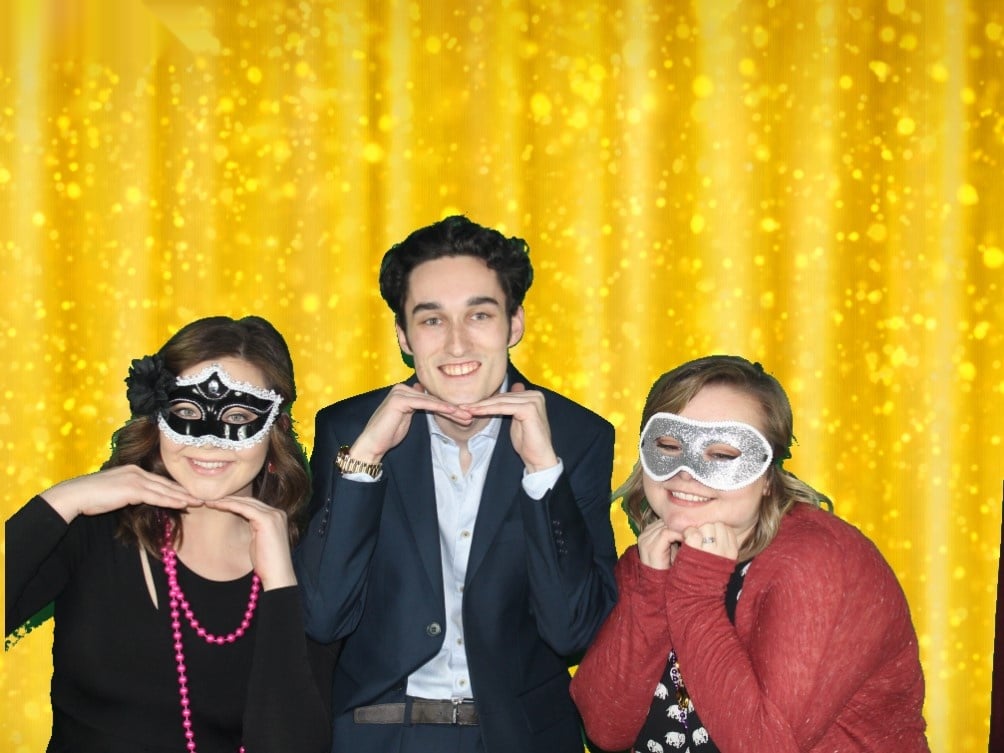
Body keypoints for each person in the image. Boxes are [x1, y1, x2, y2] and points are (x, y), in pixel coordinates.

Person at [294, 215, 618, 753]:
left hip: (517, 737)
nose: (457, 343)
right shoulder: (349, 430)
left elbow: (573, 632)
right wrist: (364, 462)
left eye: (479, 314)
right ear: (403, 336)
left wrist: (543, 472)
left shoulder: (577, 436)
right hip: (378, 733)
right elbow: (323, 616)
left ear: (514, 324)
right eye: (432, 320)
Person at [5, 315, 333, 753]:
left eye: (238, 416)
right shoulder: (96, 532)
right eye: (187, 412)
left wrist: (280, 587)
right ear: (157, 418)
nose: (209, 441)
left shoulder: (312, 562)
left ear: (275, 429)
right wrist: (61, 501)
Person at [569, 355, 929, 753]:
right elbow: (605, 729)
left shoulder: (819, 561)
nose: (686, 472)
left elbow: (764, 745)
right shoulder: (655, 551)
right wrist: (649, 590)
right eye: (669, 446)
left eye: (723, 454)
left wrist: (696, 592)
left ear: (769, 477)